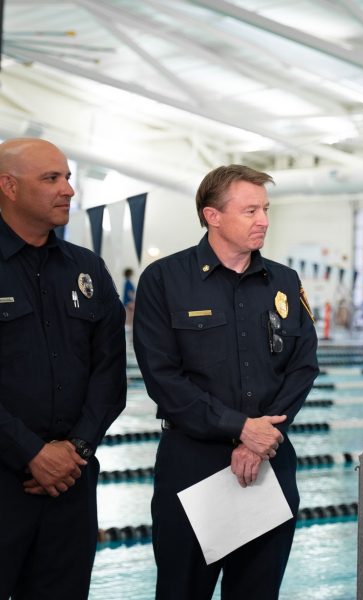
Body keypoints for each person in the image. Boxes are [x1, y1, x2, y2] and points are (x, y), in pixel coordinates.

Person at [133, 165, 319, 599]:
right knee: (183, 590)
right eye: (250, 210)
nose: (264, 220)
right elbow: (163, 379)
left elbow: (303, 366)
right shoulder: (164, 281)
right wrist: (240, 429)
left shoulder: (285, 282)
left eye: (266, 209)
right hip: (193, 465)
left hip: (270, 462)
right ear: (212, 215)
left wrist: (262, 436)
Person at [0, 138, 126, 598]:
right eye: (51, 179)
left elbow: (110, 375)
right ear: (8, 186)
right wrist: (32, 452)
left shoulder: (87, 269)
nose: (68, 190)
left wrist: (74, 450)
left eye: (68, 177)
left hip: (71, 487)